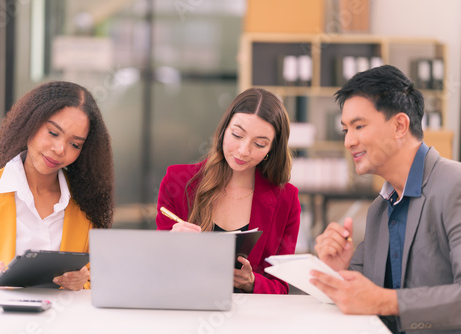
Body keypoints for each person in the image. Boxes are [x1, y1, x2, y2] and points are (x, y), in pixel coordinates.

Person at [312, 65, 461, 333]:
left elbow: (380, 300)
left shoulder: (454, 185)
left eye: (359, 126)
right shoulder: (380, 209)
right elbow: (362, 296)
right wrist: (338, 269)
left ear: (400, 125)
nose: (348, 141)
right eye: (346, 129)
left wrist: (385, 301)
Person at [0, 81, 114, 291]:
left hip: (65, 322)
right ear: (31, 122)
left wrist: (82, 283)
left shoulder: (86, 205)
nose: (60, 149)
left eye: (75, 144)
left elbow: (100, 280)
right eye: (53, 133)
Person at [156, 87, 301, 294]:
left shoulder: (286, 200)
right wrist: (170, 246)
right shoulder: (177, 183)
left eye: (259, 144)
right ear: (224, 129)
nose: (243, 151)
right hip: (185, 310)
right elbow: (158, 270)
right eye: (237, 135)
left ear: (271, 150)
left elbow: (282, 287)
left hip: (250, 321)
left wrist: (252, 282)